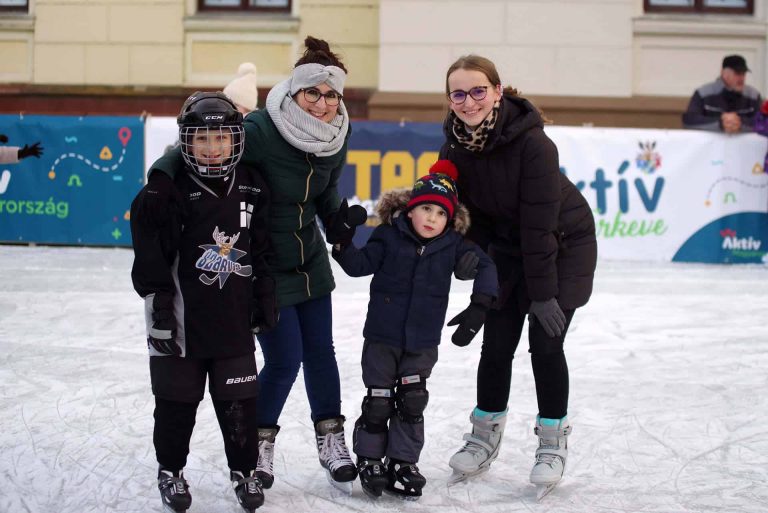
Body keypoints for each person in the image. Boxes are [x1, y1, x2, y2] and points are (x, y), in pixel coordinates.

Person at [146, 36, 358, 493]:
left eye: (331, 94)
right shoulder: (262, 128)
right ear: (295, 91)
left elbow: (324, 191)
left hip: (309, 260)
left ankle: (331, 438)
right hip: (264, 263)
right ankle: (259, 441)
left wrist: (338, 220)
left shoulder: (338, 134)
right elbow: (197, 149)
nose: (322, 103)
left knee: (322, 353)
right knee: (285, 359)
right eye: (312, 93)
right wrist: (162, 177)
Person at [439, 55, 597, 498]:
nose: (468, 102)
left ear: (496, 90)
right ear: (449, 99)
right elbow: (461, 213)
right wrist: (470, 256)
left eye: (477, 91)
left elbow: (540, 226)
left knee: (545, 343)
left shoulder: (534, 145)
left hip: (563, 244)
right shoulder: (452, 144)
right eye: (458, 93)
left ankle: (552, 441)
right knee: (498, 340)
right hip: (510, 246)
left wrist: (544, 295)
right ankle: (483, 434)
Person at [130, 92, 274, 513]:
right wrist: (157, 304)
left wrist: (264, 293)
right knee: (176, 407)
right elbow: (150, 254)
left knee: (241, 406)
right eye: (201, 140)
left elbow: (261, 248)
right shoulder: (166, 189)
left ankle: (244, 470)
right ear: (185, 142)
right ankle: (170, 470)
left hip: (232, 322)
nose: (212, 149)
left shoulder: (252, 183)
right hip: (178, 323)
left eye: (221, 139)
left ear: (236, 139)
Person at [332, 160, 497, 500]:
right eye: (425, 209)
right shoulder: (388, 236)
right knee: (378, 402)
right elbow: (358, 266)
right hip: (382, 338)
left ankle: (403, 463)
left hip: (421, 342)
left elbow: (486, 265)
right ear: (410, 211)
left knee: (412, 402)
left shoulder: (453, 244)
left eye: (440, 213)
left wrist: (480, 305)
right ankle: (370, 460)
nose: (431, 218)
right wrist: (343, 242)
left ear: (449, 220)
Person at [682, 54, 762, 133]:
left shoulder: (753, 95)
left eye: (743, 74)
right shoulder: (703, 93)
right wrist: (720, 123)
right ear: (724, 73)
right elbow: (689, 121)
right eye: (737, 73)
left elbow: (763, 123)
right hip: (712, 145)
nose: (742, 78)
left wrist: (740, 123)